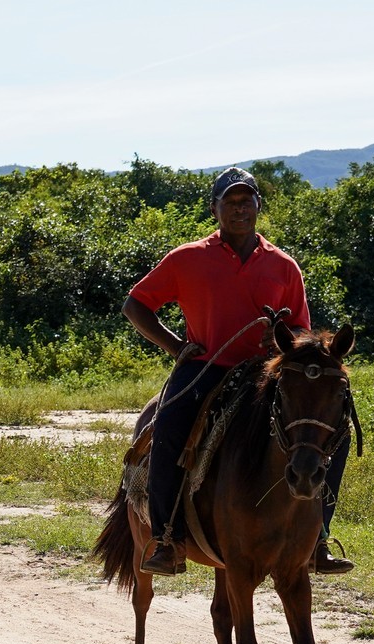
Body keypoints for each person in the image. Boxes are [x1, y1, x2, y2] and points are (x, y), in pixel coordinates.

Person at [121, 167, 353, 577]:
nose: (239, 210)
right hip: (204, 368)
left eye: (246, 202)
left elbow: (301, 327)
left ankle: (318, 538)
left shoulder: (283, 266)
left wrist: (280, 338)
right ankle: (168, 538)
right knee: (170, 428)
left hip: (265, 373)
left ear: (258, 207)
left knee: (333, 432)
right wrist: (176, 346)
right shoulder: (187, 258)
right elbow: (136, 305)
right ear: (215, 209)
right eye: (230, 202)